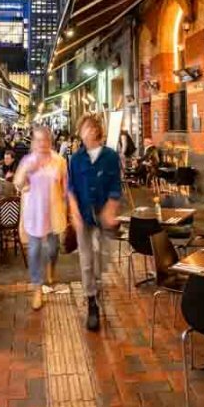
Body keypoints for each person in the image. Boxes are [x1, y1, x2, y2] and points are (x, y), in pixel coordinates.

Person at [67, 115, 122, 331]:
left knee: (102, 260)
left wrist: (110, 209)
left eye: (90, 127)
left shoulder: (110, 156)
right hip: (83, 215)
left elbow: (115, 187)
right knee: (86, 259)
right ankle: (91, 302)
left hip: (103, 214)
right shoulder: (76, 158)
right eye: (84, 128)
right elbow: (71, 187)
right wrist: (73, 211)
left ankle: (96, 288)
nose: (87, 132)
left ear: (97, 130)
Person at [14, 126, 69, 311]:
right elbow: (18, 184)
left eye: (45, 140)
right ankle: (37, 288)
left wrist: (68, 210)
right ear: (33, 143)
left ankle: (51, 267)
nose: (42, 143)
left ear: (50, 142)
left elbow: (65, 187)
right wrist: (26, 173)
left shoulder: (59, 161)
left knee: (53, 249)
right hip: (34, 213)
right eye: (38, 140)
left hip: (54, 213)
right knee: (35, 251)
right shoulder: (28, 161)